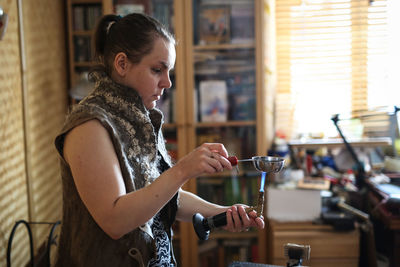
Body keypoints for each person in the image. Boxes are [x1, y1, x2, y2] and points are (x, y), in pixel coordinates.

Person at [54, 13, 264, 266]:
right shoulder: (89, 126)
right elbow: (115, 221)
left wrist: (221, 212)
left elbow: (160, 194)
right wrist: (183, 170)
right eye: (157, 70)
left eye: (169, 71)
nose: (167, 82)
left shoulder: (140, 116)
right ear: (121, 64)